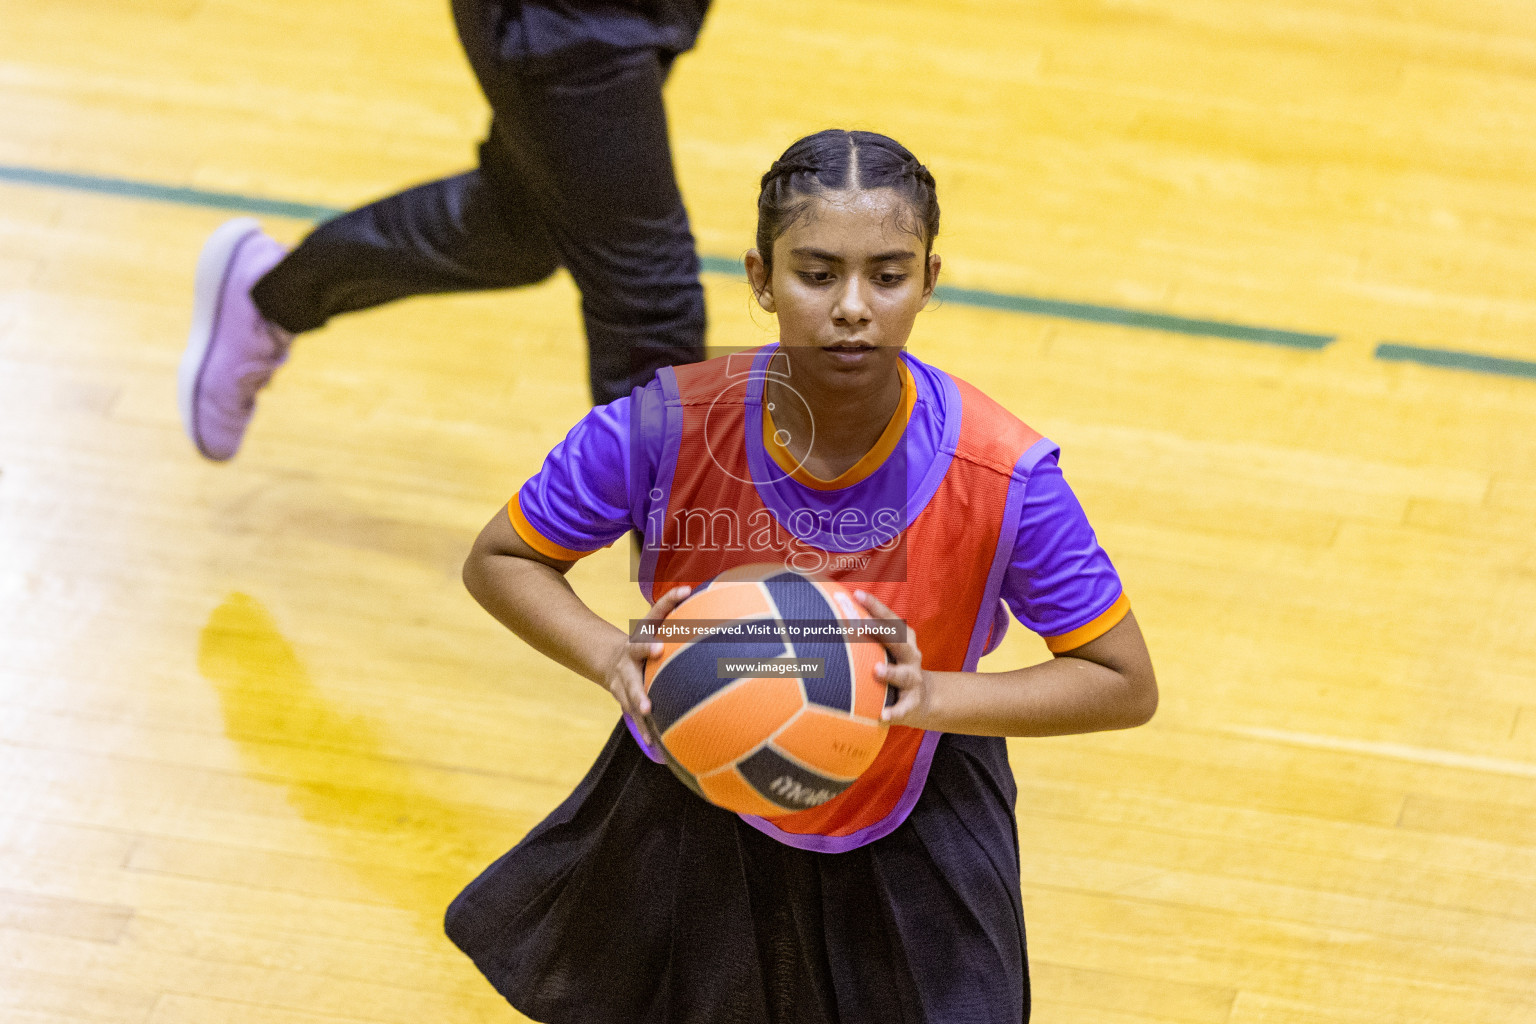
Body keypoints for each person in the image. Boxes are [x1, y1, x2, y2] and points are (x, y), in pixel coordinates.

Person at [448, 129, 1158, 1023]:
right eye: (816, 274)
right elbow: (503, 559)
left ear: (930, 281)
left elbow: (1123, 681)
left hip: (917, 801)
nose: (852, 307)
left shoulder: (1003, 473)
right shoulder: (664, 427)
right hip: (693, 796)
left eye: (888, 275)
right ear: (759, 277)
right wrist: (610, 655)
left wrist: (926, 696)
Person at [178, 0, 711, 461]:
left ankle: (272, 293)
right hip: (572, 18)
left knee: (518, 225)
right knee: (650, 309)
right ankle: (694, 570)